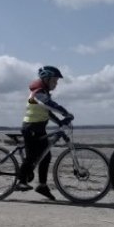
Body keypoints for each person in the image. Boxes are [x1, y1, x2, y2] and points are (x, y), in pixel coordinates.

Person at [17, 66, 74, 201]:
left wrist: (60, 122)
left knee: (45, 157)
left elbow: (47, 112)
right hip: (30, 129)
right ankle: (21, 181)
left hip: (39, 130)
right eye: (54, 81)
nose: (56, 84)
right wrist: (65, 112)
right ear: (46, 79)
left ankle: (42, 186)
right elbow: (48, 104)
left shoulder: (44, 92)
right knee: (31, 157)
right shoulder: (38, 93)